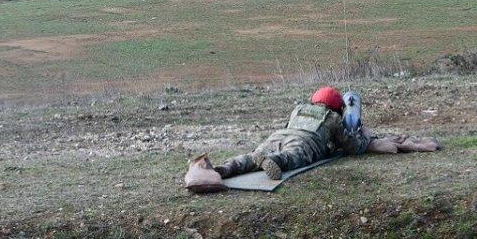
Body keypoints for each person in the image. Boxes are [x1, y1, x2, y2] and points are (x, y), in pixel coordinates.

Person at [185, 86, 440, 193]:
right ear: (337, 107)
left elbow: (288, 127)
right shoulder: (333, 118)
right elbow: (351, 147)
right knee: (292, 158)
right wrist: (364, 138)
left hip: (279, 135)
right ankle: (273, 161)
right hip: (305, 141)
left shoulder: (298, 108)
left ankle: (217, 170)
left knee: (249, 158)